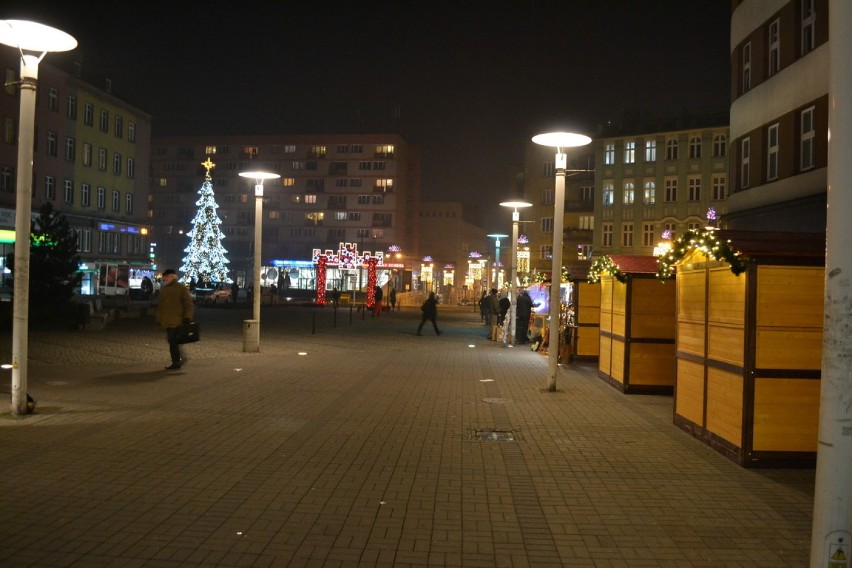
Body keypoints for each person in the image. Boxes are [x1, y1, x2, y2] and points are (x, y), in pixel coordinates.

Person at [156, 269, 194, 370]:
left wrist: (187, 317)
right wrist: (159, 319)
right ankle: (179, 360)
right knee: (172, 341)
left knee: (172, 341)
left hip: (177, 320)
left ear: (172, 276)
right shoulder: (164, 289)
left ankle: (176, 362)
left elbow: (188, 304)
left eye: (166, 276)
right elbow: (161, 306)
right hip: (168, 320)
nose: (164, 278)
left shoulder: (180, 288)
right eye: (164, 277)